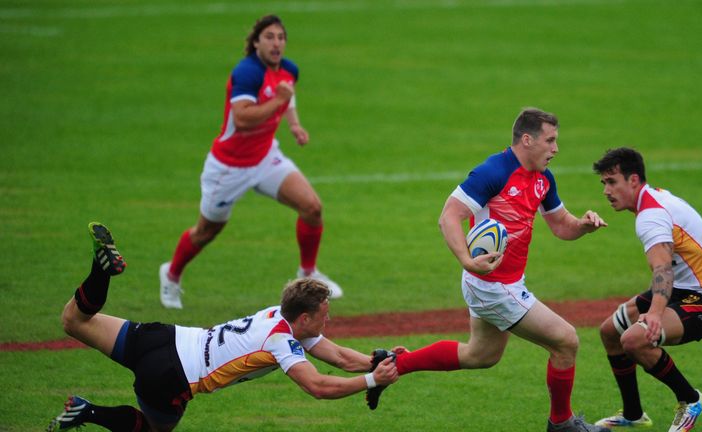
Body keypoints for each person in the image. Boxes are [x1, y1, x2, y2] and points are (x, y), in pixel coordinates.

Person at [373, 108, 609, 431]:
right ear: (527, 140)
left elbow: (561, 226)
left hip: (503, 282)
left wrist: (583, 225)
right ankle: (562, 423)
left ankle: (393, 365)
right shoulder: (493, 172)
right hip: (493, 285)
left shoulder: (543, 179)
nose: (555, 149)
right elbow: (449, 217)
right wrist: (468, 261)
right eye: (550, 141)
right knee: (566, 341)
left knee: (480, 355)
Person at [48, 222, 397, 432]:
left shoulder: (280, 314)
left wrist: (375, 361)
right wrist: (371, 381)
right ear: (304, 318)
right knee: (153, 429)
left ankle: (100, 269)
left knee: (73, 320)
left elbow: (336, 355)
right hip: (171, 375)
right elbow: (318, 387)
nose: (329, 319)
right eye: (325, 313)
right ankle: (87, 410)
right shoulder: (281, 342)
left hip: (163, 337)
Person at [159, 14, 342, 309]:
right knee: (206, 232)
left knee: (312, 207)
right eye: (269, 36)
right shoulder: (247, 73)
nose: (276, 43)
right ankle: (171, 274)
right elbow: (242, 119)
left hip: (266, 156)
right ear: (256, 41)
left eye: (281, 37)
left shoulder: (288, 70)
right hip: (228, 168)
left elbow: (288, 97)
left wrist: (294, 124)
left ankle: (308, 274)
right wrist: (277, 102)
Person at [591, 147, 702, 431]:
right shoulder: (653, 199)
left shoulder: (651, 216)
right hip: (683, 288)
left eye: (612, 182)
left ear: (634, 180)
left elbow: (662, 270)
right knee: (610, 332)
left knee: (634, 340)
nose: (606, 191)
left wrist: (655, 314)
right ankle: (633, 414)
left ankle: (690, 399)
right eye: (604, 183)